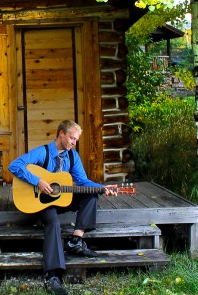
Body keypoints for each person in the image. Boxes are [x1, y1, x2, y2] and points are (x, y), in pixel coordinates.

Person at [8, 120, 118, 295]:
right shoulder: (43, 152)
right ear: (61, 134)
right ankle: (53, 276)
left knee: (90, 193)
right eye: (71, 138)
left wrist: (102, 188)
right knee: (53, 222)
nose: (74, 143)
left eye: (76, 140)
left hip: (61, 200)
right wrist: (38, 181)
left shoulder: (73, 156)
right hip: (40, 203)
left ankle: (75, 241)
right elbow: (14, 165)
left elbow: (83, 182)